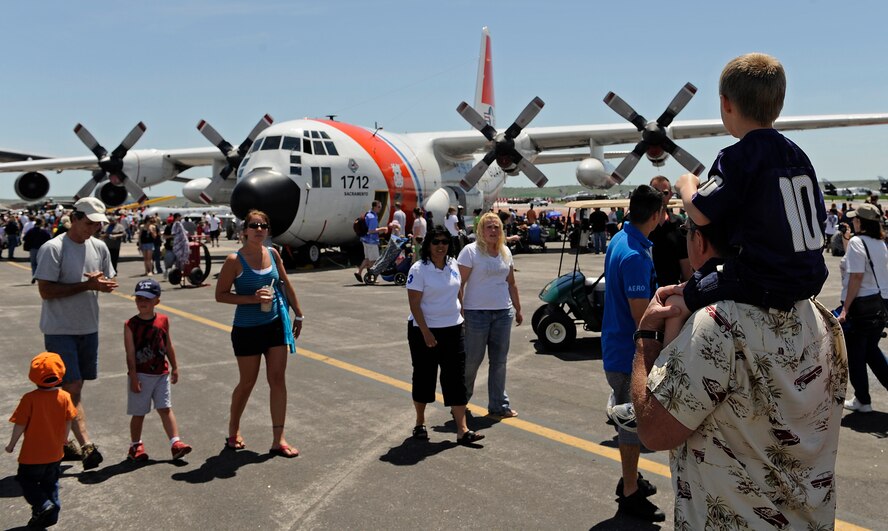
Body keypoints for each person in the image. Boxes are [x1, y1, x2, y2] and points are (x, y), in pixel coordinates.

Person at [629, 216, 848, 531]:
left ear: (700, 241)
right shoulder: (821, 316)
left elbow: (653, 430)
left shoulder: (717, 325)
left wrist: (646, 338)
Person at [674, 53, 827, 319]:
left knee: (674, 303)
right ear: (779, 103)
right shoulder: (798, 155)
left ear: (725, 103)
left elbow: (700, 211)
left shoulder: (738, 157)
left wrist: (687, 185)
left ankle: (666, 362)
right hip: (810, 278)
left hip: (761, 281)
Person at [35, 197, 117, 470]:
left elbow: (103, 280)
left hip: (88, 326)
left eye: (97, 224)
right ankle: (86, 445)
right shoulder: (53, 248)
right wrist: (86, 286)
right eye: (89, 223)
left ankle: (59, 443)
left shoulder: (100, 247)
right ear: (74, 218)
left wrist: (103, 285)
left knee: (75, 388)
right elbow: (46, 291)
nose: (92, 229)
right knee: (72, 386)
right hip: (60, 328)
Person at [215, 209, 304, 457]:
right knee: (247, 382)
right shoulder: (235, 260)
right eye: (254, 225)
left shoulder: (273, 254)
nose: (259, 229)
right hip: (246, 329)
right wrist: (251, 299)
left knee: (277, 380)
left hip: (275, 324)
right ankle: (234, 429)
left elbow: (285, 284)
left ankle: (279, 439)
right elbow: (220, 295)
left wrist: (298, 313)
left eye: (263, 225)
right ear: (244, 231)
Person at [600, 184, 665, 522]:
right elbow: (643, 317)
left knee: (629, 423)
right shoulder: (635, 257)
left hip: (615, 345)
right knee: (630, 426)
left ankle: (630, 478)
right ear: (656, 215)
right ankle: (629, 493)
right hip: (628, 353)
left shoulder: (619, 240)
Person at [406, 225, 484, 445]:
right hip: (425, 331)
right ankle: (420, 423)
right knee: (424, 377)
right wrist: (425, 332)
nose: (441, 246)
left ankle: (462, 429)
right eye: (436, 242)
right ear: (428, 245)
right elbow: (414, 304)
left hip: (453, 329)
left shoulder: (452, 264)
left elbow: (458, 289)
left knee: (455, 379)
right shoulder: (419, 269)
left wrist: (460, 315)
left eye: (445, 242)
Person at [457, 212, 522, 418]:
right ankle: (459, 401)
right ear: (481, 230)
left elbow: (511, 283)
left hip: (503, 313)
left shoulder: (505, 252)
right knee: (472, 361)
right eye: (489, 227)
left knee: (499, 361)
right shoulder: (470, 251)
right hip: (476, 314)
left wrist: (518, 309)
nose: (493, 231)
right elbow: (459, 283)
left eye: (496, 227)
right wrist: (459, 310)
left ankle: (499, 405)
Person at [6, 352, 78, 529]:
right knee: (50, 484)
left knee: (26, 481)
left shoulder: (29, 399)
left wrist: (12, 444)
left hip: (32, 455)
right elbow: (69, 420)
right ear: (61, 373)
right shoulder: (65, 397)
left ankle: (43, 506)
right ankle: (49, 514)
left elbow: (20, 424)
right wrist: (64, 439)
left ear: (33, 376)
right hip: (54, 454)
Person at [124, 279, 192, 461]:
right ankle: (135, 445)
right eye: (138, 298)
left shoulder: (163, 320)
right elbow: (130, 354)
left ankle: (175, 443)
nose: (142, 302)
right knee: (139, 413)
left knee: (165, 408)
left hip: (161, 374)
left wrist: (175, 367)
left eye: (146, 299)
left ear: (157, 301)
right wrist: (133, 376)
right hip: (141, 374)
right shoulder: (130, 325)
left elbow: (168, 344)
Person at [836, 203, 888, 412]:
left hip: (862, 305)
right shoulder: (879, 242)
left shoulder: (859, 242)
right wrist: (847, 241)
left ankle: (862, 400)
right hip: (881, 303)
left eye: (855, 219)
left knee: (857, 354)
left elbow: (856, 276)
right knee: (871, 350)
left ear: (861, 222)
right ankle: (863, 399)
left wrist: (846, 309)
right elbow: (858, 267)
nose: (852, 222)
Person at [647, 176, 691, 286]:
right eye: (656, 192)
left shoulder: (679, 224)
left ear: (671, 195)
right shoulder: (641, 224)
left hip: (671, 291)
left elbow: (685, 265)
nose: (660, 196)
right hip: (645, 290)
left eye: (665, 192)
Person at [354, 200, 387, 283]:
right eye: (379, 207)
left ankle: (359, 272)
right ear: (375, 207)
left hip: (365, 240)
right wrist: (382, 229)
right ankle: (371, 277)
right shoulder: (372, 217)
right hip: (371, 241)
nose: (380, 208)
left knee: (368, 259)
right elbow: (371, 230)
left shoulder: (368, 214)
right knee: (374, 260)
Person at [23, 217, 52, 282]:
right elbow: (49, 238)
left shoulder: (31, 230)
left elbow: (25, 238)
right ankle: (40, 276)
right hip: (42, 249)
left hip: (33, 248)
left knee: (33, 263)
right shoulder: (44, 231)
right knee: (40, 263)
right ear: (41, 223)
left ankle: (34, 275)